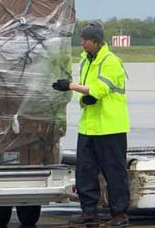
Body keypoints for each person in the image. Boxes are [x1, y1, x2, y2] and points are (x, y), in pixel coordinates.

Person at [52, 22, 130, 227]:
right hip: (89, 126)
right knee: (85, 171)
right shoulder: (86, 61)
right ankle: (89, 211)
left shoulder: (111, 61)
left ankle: (119, 214)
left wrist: (70, 86)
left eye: (86, 39)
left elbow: (99, 89)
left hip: (110, 127)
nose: (82, 42)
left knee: (114, 172)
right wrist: (83, 97)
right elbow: (90, 92)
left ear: (96, 41)